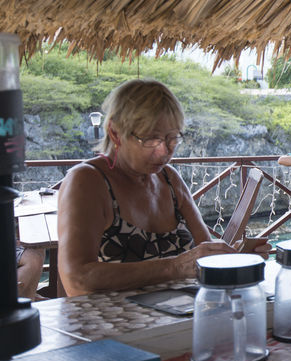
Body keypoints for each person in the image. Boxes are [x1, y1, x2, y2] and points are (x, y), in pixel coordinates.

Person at [57, 79, 268, 297]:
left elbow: (204, 251)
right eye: (151, 139)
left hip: (182, 313)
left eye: (172, 138)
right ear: (115, 133)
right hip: (113, 318)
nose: (164, 151)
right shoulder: (88, 181)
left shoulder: (169, 179)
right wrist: (174, 267)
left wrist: (235, 256)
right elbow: (77, 279)